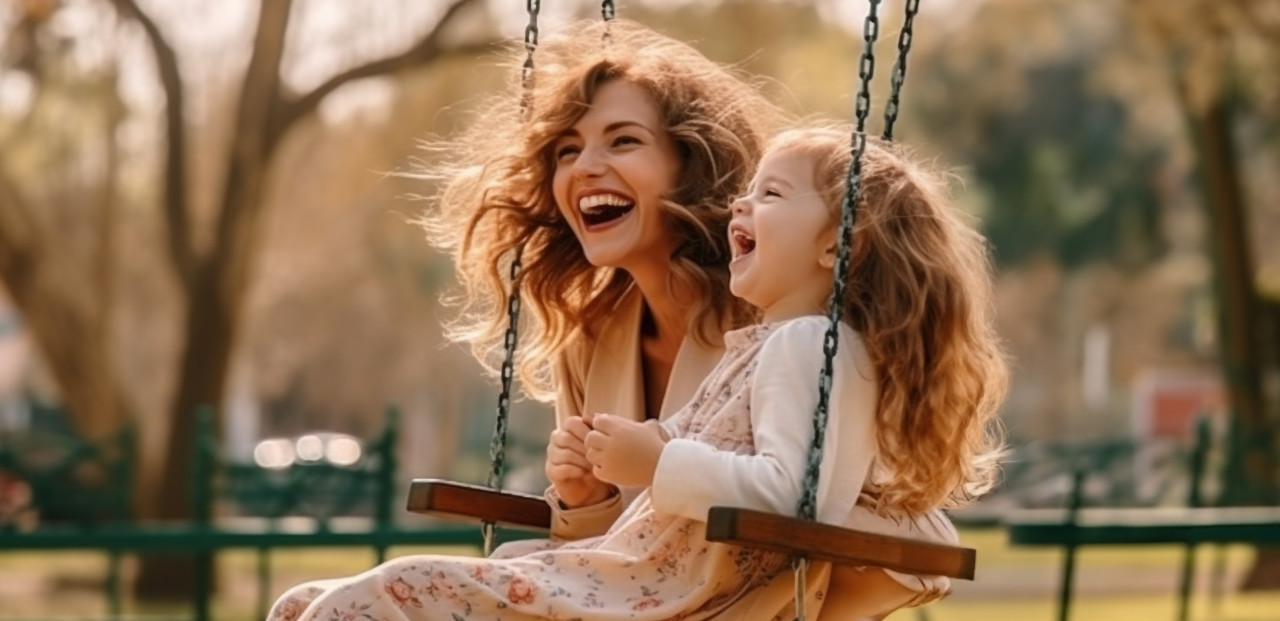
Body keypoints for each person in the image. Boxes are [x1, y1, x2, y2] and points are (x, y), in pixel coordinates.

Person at [265, 124, 1007, 621]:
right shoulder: (771, 343)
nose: (742, 203)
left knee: (371, 601)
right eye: (748, 190)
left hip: (642, 599)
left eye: (772, 194)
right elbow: (703, 465)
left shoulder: (813, 345)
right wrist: (597, 479)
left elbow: (796, 498)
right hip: (620, 578)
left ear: (840, 245)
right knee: (309, 602)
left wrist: (656, 460)